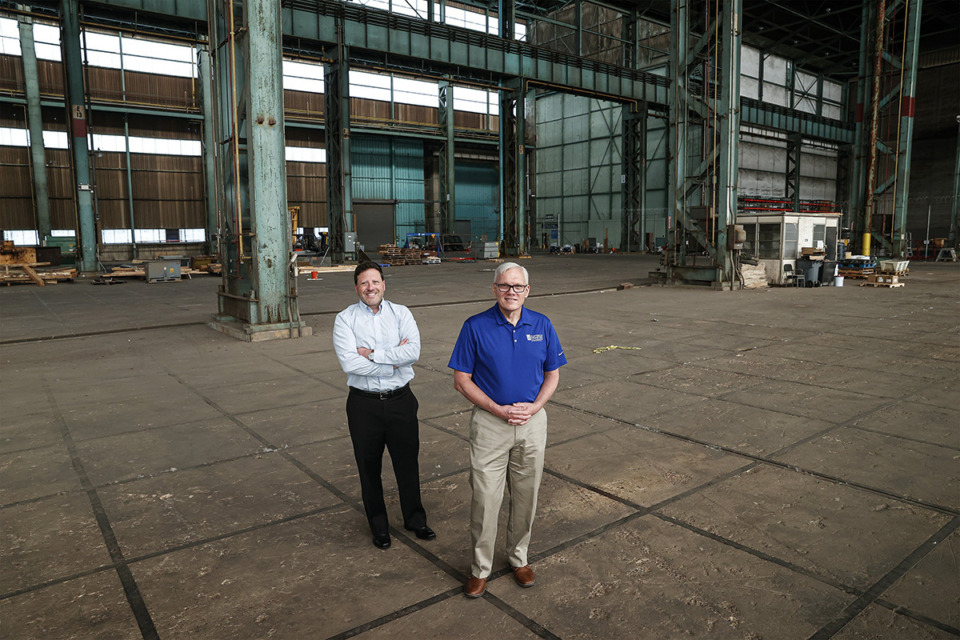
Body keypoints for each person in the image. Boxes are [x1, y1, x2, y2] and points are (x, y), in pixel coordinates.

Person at [448, 262, 566, 597]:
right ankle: (480, 568)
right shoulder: (475, 326)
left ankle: (519, 558)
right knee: (485, 499)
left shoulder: (541, 324)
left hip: (532, 423)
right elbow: (461, 380)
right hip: (490, 424)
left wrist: (536, 407)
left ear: (527, 291)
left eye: (517, 287)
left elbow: (553, 374)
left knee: (526, 496)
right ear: (494, 289)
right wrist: (497, 409)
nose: (511, 292)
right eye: (504, 286)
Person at [333, 261, 435, 549]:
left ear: (383, 285)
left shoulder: (401, 313)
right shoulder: (345, 319)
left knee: (407, 464)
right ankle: (379, 527)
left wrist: (372, 354)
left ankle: (416, 520)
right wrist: (392, 363)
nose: (370, 288)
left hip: (401, 401)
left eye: (375, 282)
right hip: (363, 406)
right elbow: (349, 363)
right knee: (369, 468)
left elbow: (413, 351)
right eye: (364, 283)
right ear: (356, 288)